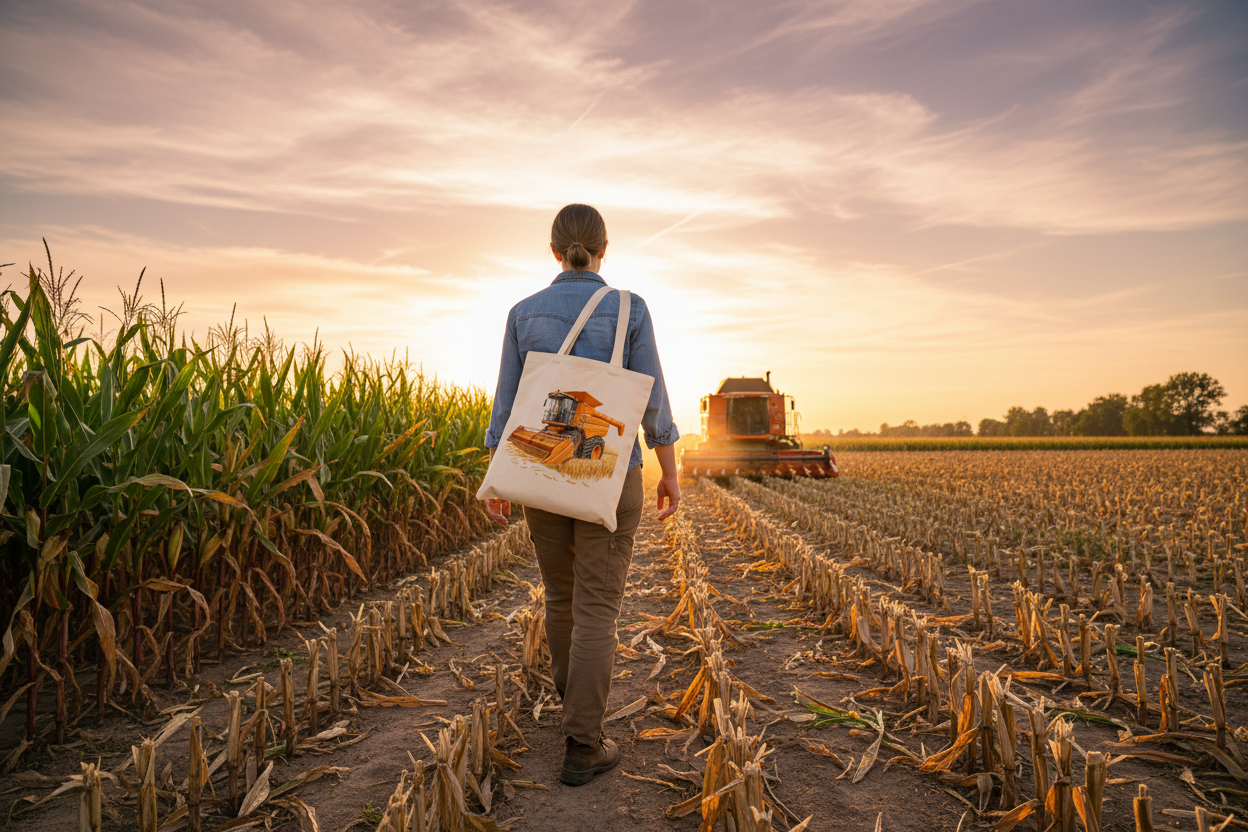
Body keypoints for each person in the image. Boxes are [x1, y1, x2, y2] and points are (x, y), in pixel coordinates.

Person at [481, 203, 681, 786]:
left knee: (560, 598)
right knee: (597, 607)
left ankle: (576, 712)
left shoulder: (522, 313)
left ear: (554, 250)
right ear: (603, 249)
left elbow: (506, 405)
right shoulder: (630, 308)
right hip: (611, 481)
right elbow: (654, 402)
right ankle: (583, 742)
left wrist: (496, 474)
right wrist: (669, 471)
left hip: (540, 481)